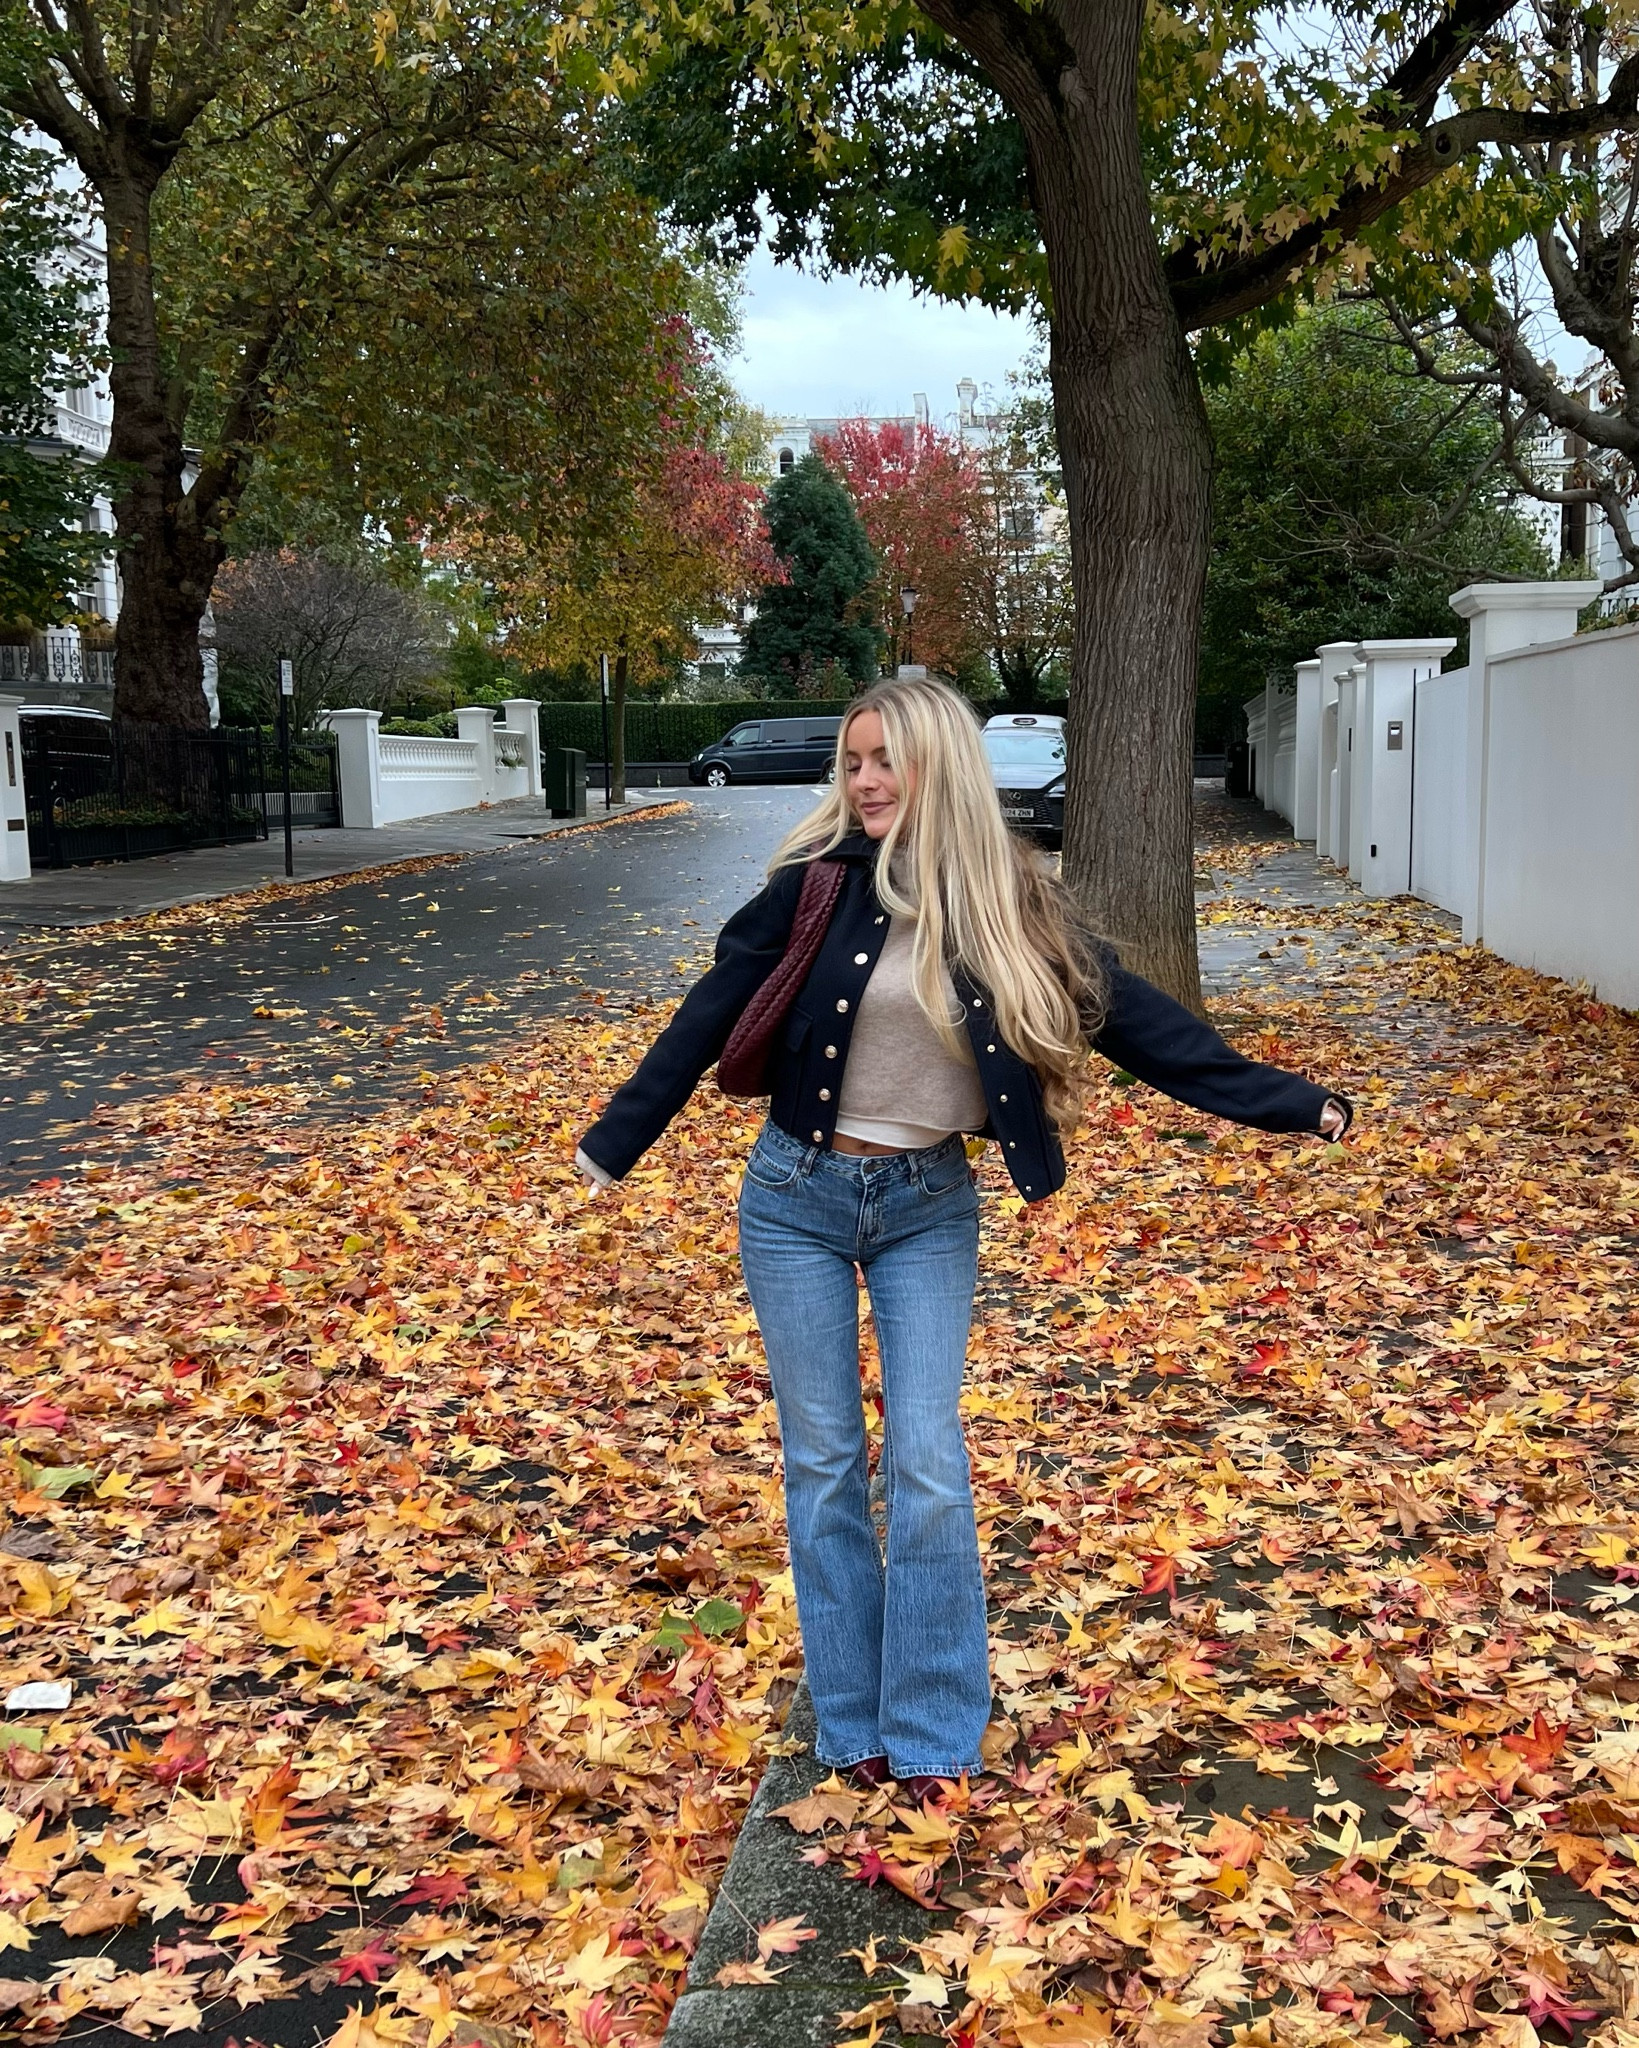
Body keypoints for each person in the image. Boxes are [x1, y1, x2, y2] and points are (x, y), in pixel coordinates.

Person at [577, 676, 1349, 1798]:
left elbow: (1137, 1020)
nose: (867, 779)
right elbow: (709, 1007)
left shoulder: (1009, 905)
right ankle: (851, 1721)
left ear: (939, 764)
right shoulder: (813, 887)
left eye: (886, 757)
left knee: (929, 1461)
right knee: (826, 1461)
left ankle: (932, 1731)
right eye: (852, 762)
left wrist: (1286, 1100)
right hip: (793, 1196)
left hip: (927, 1204)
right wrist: (617, 1138)